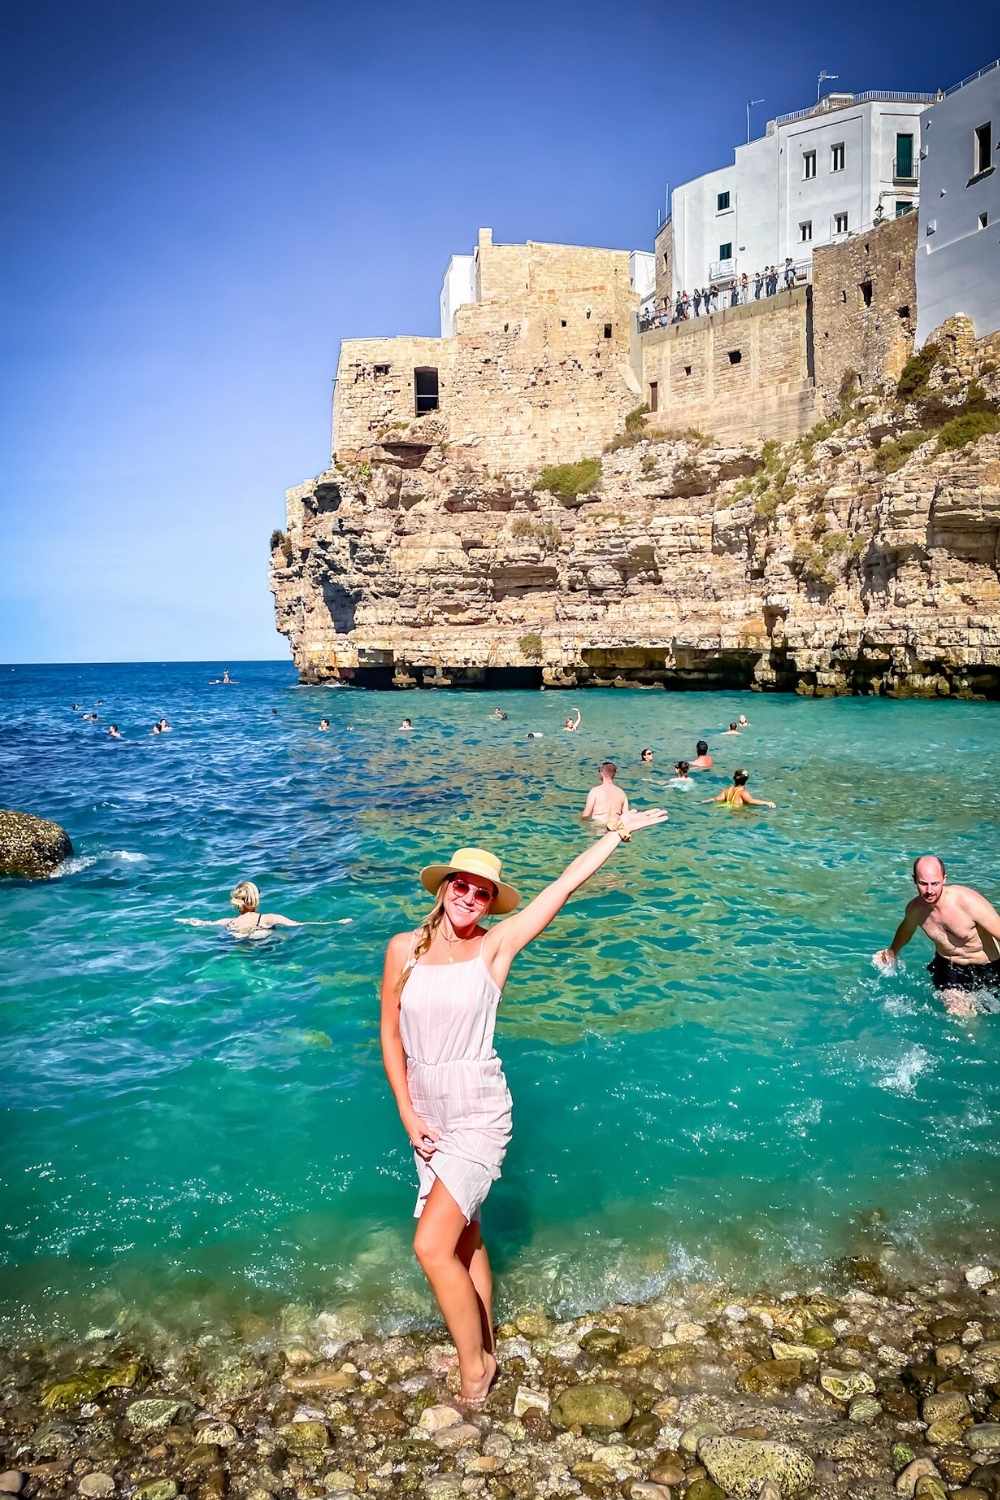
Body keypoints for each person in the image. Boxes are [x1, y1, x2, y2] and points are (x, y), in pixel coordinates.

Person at [379, 821, 668, 1401]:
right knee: (465, 1239)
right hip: (427, 1110)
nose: (470, 899)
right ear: (444, 888)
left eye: (482, 893)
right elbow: (389, 1035)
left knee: (430, 1247)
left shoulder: (495, 945)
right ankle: (483, 1345)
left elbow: (560, 888)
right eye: (462, 886)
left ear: (491, 901)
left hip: (479, 1109)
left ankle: (474, 1370)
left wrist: (614, 837)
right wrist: (409, 1116)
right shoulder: (402, 948)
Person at [874, 856, 1000, 1016]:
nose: (929, 890)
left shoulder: (968, 902)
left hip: (989, 966)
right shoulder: (916, 909)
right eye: (923, 883)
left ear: (944, 879)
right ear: (914, 880)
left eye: (935, 883)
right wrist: (892, 952)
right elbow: (906, 930)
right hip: (949, 967)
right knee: (959, 1015)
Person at [177, 880, 301, 938]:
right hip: (265, 951)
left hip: (236, 945)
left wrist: (184, 920)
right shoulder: (270, 918)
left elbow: (202, 923)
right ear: (256, 898)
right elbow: (300, 925)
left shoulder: (227, 922)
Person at [581, 761, 628, 828]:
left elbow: (586, 815)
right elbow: (626, 817)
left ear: (601, 773)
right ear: (614, 774)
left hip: (598, 826)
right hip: (615, 828)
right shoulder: (622, 793)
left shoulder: (595, 791)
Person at [706, 768, 775, 810]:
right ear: (746, 779)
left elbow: (715, 799)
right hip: (737, 812)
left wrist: (702, 802)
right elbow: (750, 801)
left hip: (726, 807)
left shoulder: (727, 790)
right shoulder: (742, 792)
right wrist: (767, 803)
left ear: (734, 778)